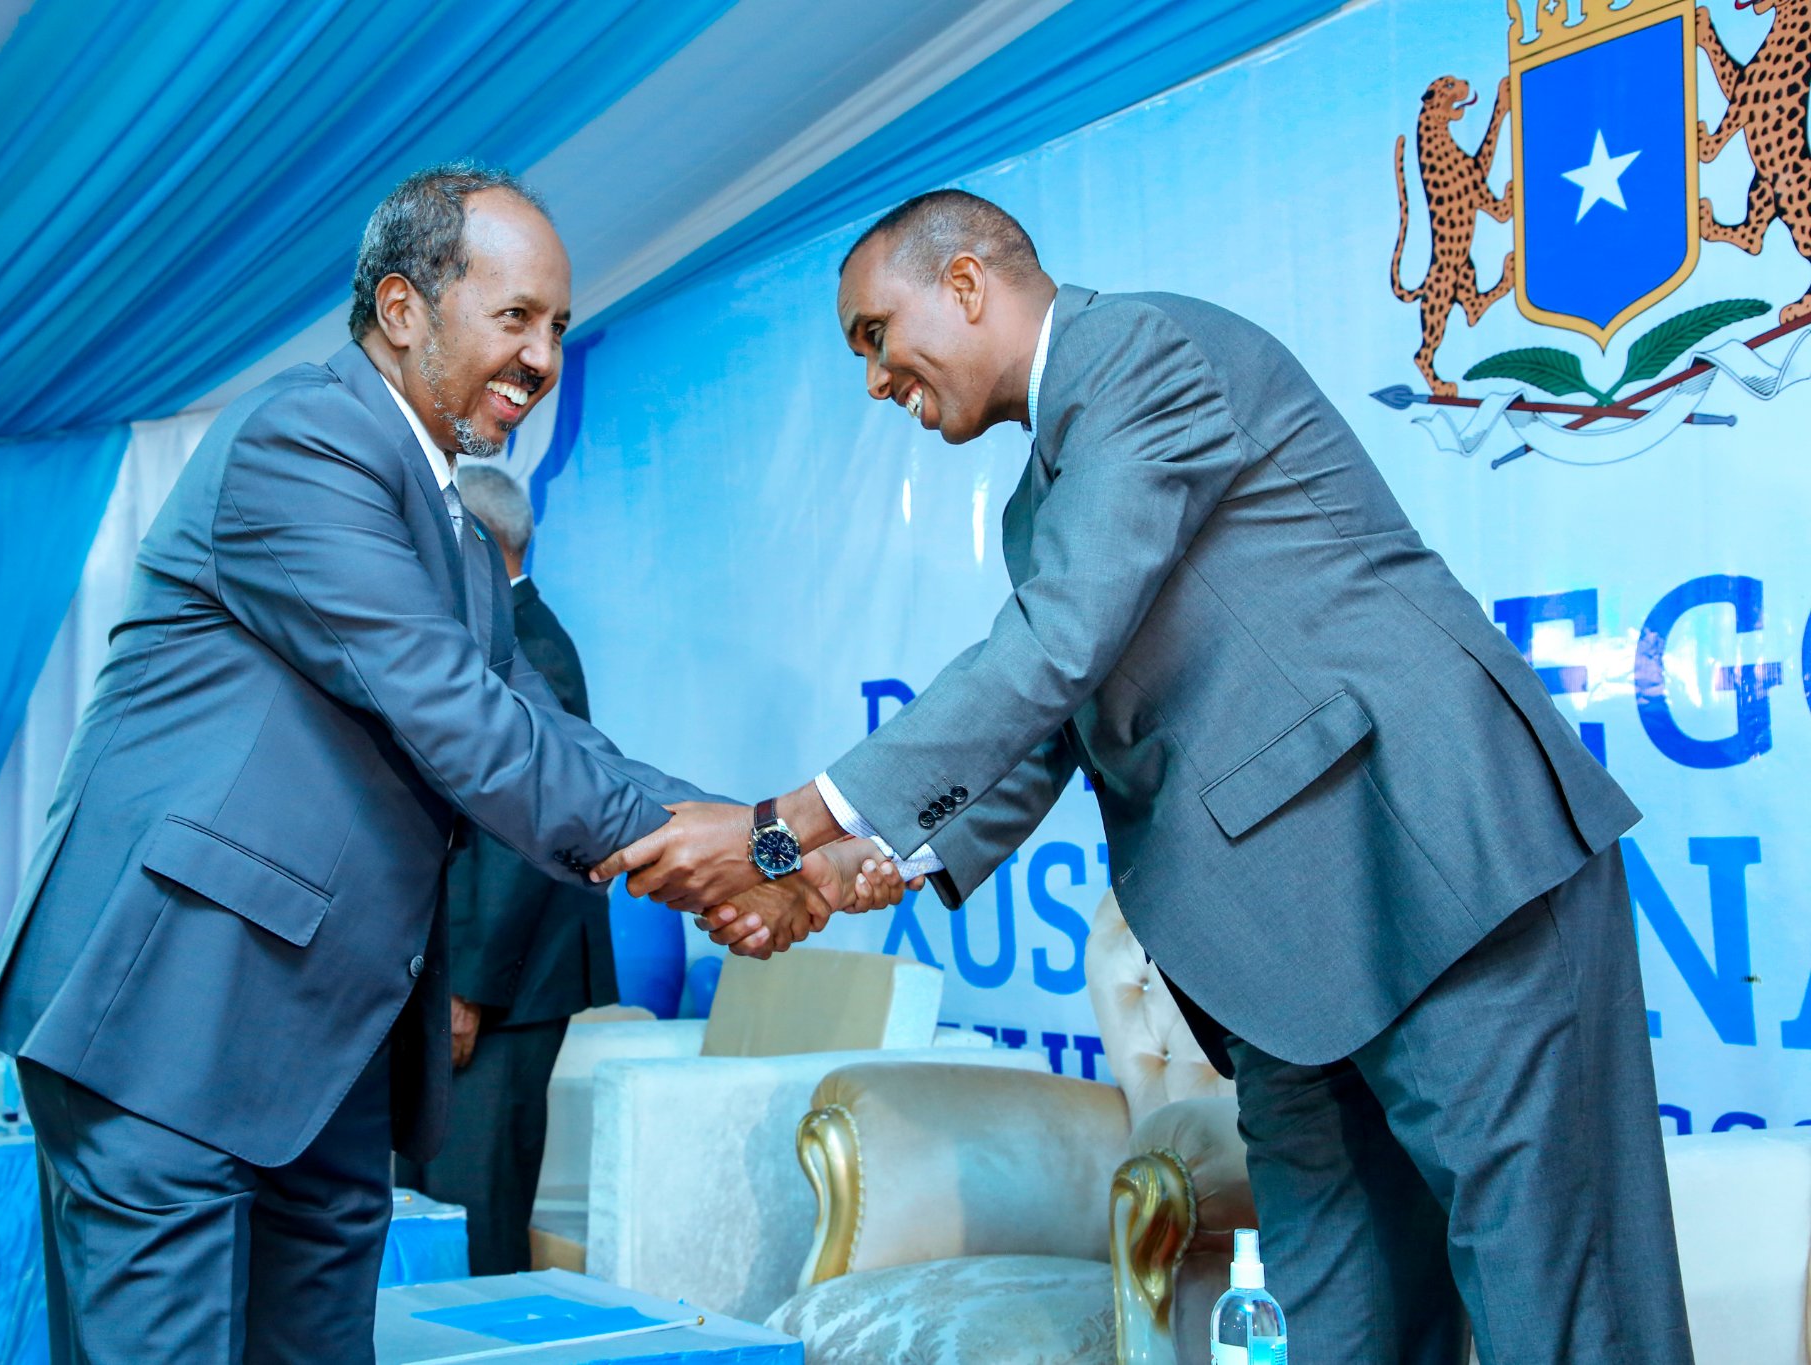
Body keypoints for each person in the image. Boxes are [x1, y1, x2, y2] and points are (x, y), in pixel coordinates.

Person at [596, 190, 1692, 1364]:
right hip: (1279, 963)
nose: (872, 379)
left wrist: (776, 830)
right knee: (1341, 1326)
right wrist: (847, 866)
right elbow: (1057, 715)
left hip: (1432, 871)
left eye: (874, 333)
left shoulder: (1133, 351)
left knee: (1560, 1307)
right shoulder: (1043, 503)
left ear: (964, 284)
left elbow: (1055, 645)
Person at [0, 163, 903, 1364]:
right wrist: (760, 847)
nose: (542, 357)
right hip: (176, 1014)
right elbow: (457, 718)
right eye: (516, 317)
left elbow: (547, 731)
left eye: (557, 326)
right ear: (402, 308)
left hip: (329, 1041)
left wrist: (781, 840)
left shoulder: (454, 526)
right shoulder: (302, 440)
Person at [399, 464, 610, 1273]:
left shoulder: (534, 648)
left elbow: (532, 835)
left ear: (476, 543)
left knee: (475, 1210)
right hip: (459, 978)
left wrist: (467, 989)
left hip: (500, 990)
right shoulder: (486, 638)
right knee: (425, 1205)